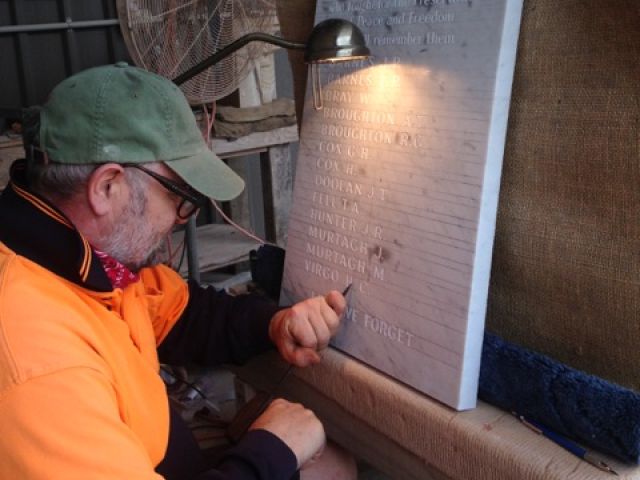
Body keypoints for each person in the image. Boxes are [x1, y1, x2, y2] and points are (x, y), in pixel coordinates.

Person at [0, 63, 355, 479]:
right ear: (106, 188)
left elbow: (180, 314)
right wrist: (268, 451)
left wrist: (274, 324)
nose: (183, 218)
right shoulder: (37, 360)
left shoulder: (82, 264)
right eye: (180, 196)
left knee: (329, 459)